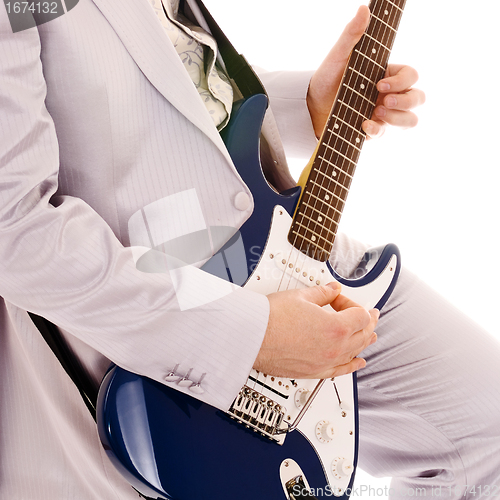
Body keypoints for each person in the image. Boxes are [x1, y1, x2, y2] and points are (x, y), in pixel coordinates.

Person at [0, 0, 498, 498]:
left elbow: (163, 65)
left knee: (486, 431)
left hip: (281, 242)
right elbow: (15, 229)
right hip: (158, 311)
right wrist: (252, 335)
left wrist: (303, 103)